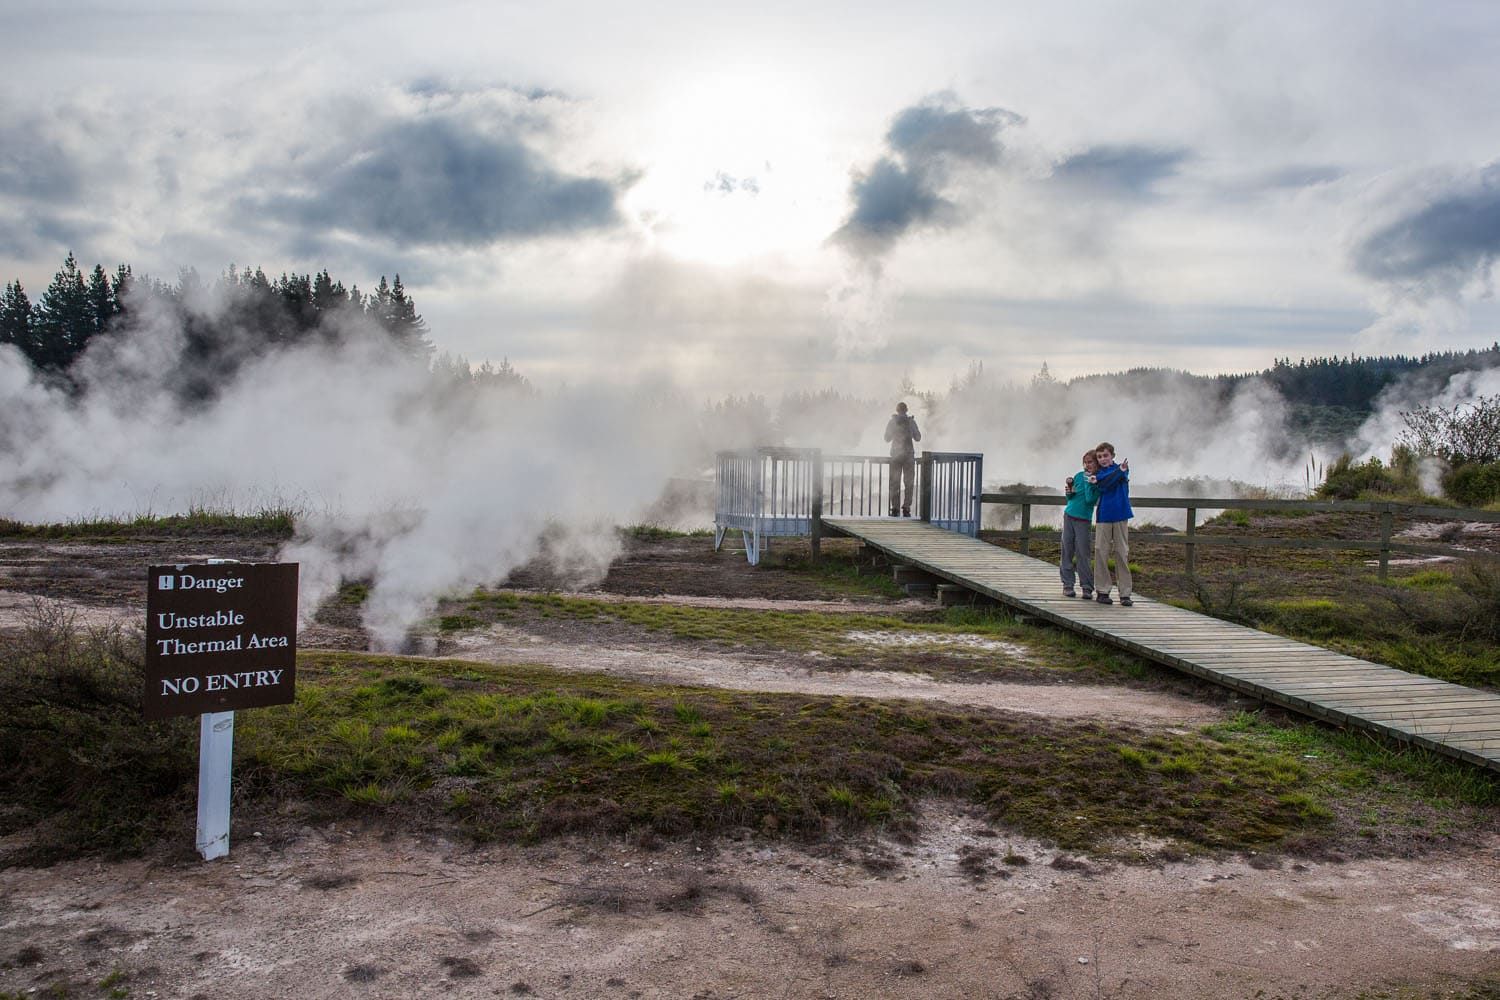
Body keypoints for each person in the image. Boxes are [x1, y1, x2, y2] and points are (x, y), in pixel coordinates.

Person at [1089, 441, 1133, 605]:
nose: (1102, 459)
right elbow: (1105, 483)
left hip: (1121, 514)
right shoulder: (1100, 473)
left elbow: (1110, 480)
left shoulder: (1123, 469)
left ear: (1112, 455)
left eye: (1105, 455)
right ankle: (1102, 590)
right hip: (1104, 515)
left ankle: (1125, 593)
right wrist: (1118, 472)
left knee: (1122, 552)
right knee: (1101, 552)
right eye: (1099, 456)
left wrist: (1120, 471)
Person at [1061, 449, 1100, 598]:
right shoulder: (1078, 476)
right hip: (1069, 515)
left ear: (1096, 463)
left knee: (1083, 553)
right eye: (1085, 462)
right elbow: (1070, 498)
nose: (1087, 465)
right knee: (1067, 550)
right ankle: (1067, 585)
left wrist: (1090, 483)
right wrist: (1069, 492)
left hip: (1084, 519)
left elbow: (1091, 500)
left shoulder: (1097, 480)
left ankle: (1087, 587)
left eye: (1090, 462)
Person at [884, 401, 922, 517]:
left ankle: (895, 508)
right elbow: (918, 437)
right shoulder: (911, 422)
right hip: (908, 456)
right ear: (906, 410)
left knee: (895, 482)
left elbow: (886, 438)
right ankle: (906, 507)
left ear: (897, 410)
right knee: (908, 483)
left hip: (896, 456)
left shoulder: (892, 422)